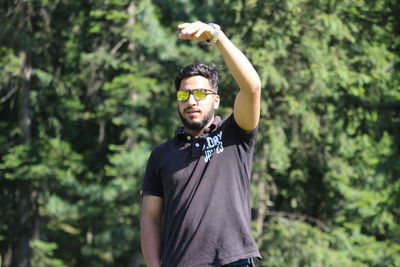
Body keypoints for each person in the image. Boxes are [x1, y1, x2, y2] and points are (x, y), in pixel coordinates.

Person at [140, 21, 262, 267]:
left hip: (232, 260)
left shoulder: (234, 135)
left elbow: (252, 88)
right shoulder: (161, 155)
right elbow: (151, 216)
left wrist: (217, 36)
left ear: (215, 100)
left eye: (200, 94)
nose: (191, 101)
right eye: (184, 95)